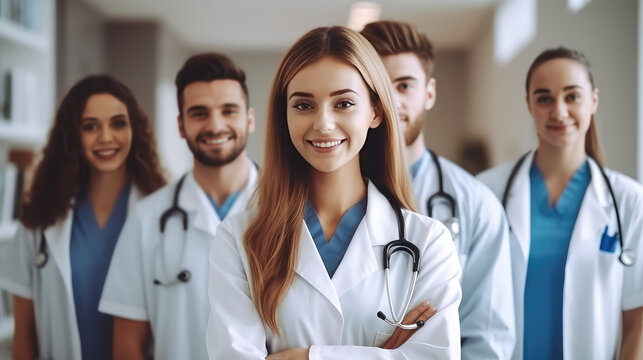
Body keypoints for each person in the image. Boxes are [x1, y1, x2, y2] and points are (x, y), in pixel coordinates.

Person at [207, 26, 462, 360]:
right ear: (284, 115)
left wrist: (300, 356)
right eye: (303, 105)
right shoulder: (238, 240)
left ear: (375, 111)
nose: (323, 123)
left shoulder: (428, 243)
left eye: (343, 103)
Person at [360, 20, 515, 359]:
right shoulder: (323, 196)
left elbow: (487, 341)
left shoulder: (476, 205)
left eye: (404, 86)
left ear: (429, 93)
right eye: (377, 86)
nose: (390, 101)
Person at [478, 47, 643, 360]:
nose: (559, 111)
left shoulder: (629, 201)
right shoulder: (487, 192)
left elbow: (638, 321)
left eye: (572, 96)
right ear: (528, 104)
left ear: (593, 100)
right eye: (544, 98)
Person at [98, 52, 258, 359]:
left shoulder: (290, 211)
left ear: (249, 119)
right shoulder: (147, 219)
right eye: (199, 113)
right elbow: (128, 345)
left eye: (228, 110)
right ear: (181, 125)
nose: (215, 125)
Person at [0, 75, 166, 360]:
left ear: (134, 129)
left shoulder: (160, 212)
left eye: (118, 123)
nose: (106, 137)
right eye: (90, 126)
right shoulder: (40, 218)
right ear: (72, 135)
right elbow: (25, 331)